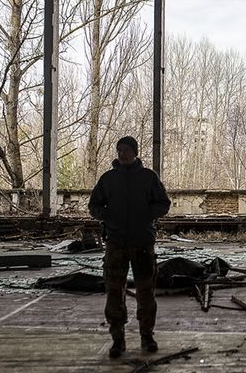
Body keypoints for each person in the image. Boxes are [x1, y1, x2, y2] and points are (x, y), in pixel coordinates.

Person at [88, 136, 171, 358]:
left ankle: (147, 336)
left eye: (125, 150)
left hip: (142, 243)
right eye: (119, 150)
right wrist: (108, 216)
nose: (121, 153)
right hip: (115, 243)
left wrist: (146, 214)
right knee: (114, 292)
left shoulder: (148, 178)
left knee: (146, 292)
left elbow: (164, 203)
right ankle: (118, 339)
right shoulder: (108, 179)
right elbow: (94, 205)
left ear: (134, 152)